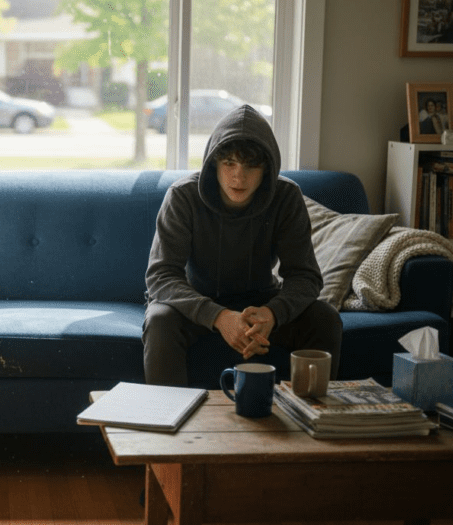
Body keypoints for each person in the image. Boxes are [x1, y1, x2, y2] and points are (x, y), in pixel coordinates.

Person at [143, 105, 342, 387]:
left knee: (324, 317)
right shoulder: (182, 196)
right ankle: (166, 420)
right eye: (229, 164)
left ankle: (310, 418)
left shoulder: (286, 197)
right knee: (160, 318)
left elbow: (306, 276)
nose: (239, 177)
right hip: (198, 304)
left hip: (262, 303)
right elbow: (160, 276)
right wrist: (220, 317)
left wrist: (272, 313)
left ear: (267, 169)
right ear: (214, 164)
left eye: (251, 166)